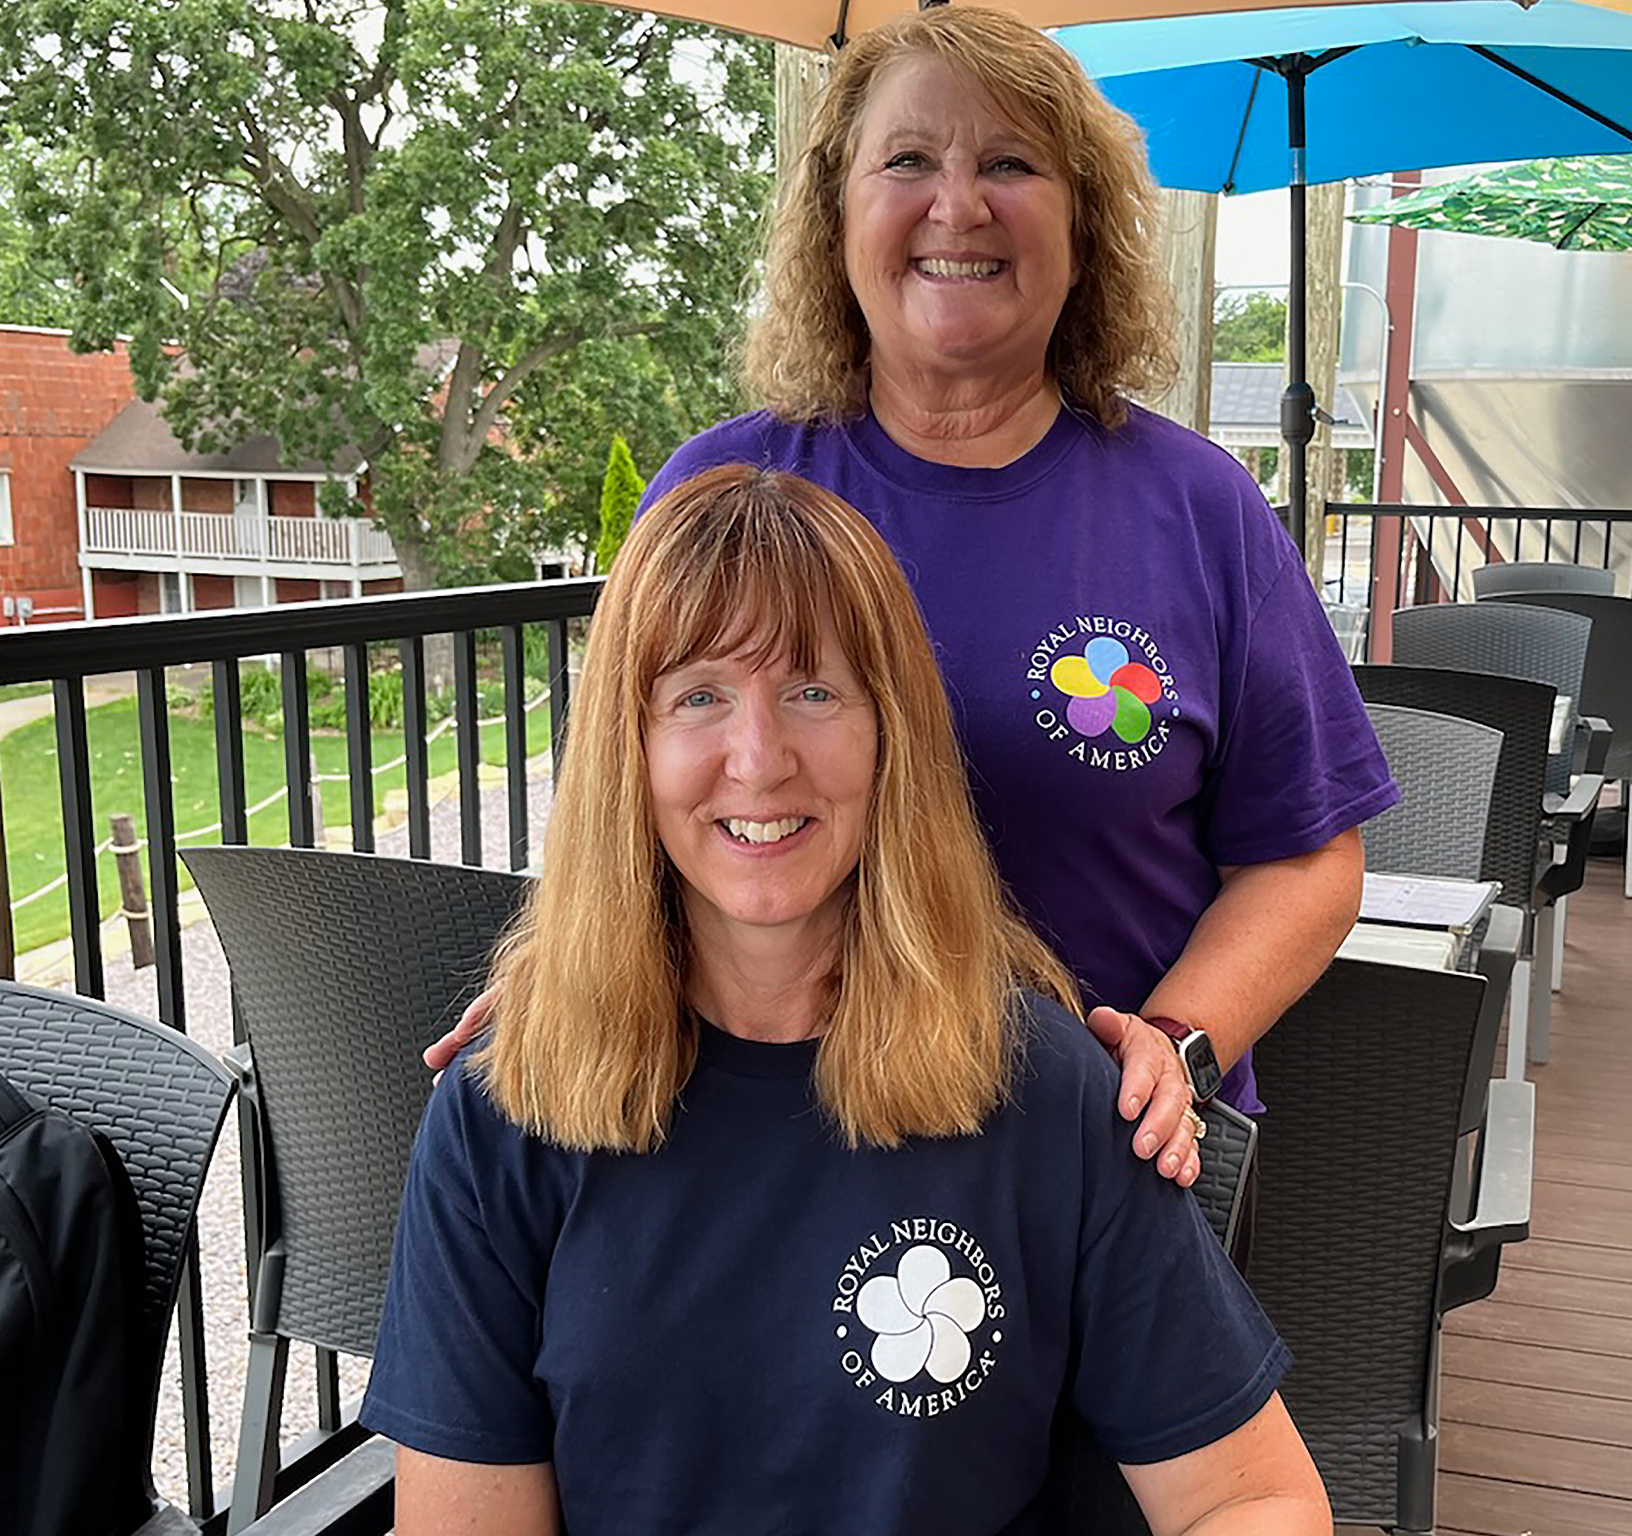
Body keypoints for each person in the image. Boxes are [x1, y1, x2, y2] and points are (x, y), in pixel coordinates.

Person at [430, 4, 1394, 1197]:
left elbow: (1308, 857)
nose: (957, 205)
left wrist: (1176, 1043)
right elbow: (628, 814)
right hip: (769, 1156)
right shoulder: (720, 495)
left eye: (1009, 163)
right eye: (907, 161)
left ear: (1083, 225)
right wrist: (569, 976)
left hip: (1098, 1160)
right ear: (834, 219)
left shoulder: (1201, 510)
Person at [363, 464, 1332, 1536]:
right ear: (625, 753)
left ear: (889, 739)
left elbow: (1255, 1499)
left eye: (814, 692)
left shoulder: (1043, 1091)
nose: (759, 758)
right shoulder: (505, 1113)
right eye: (697, 697)